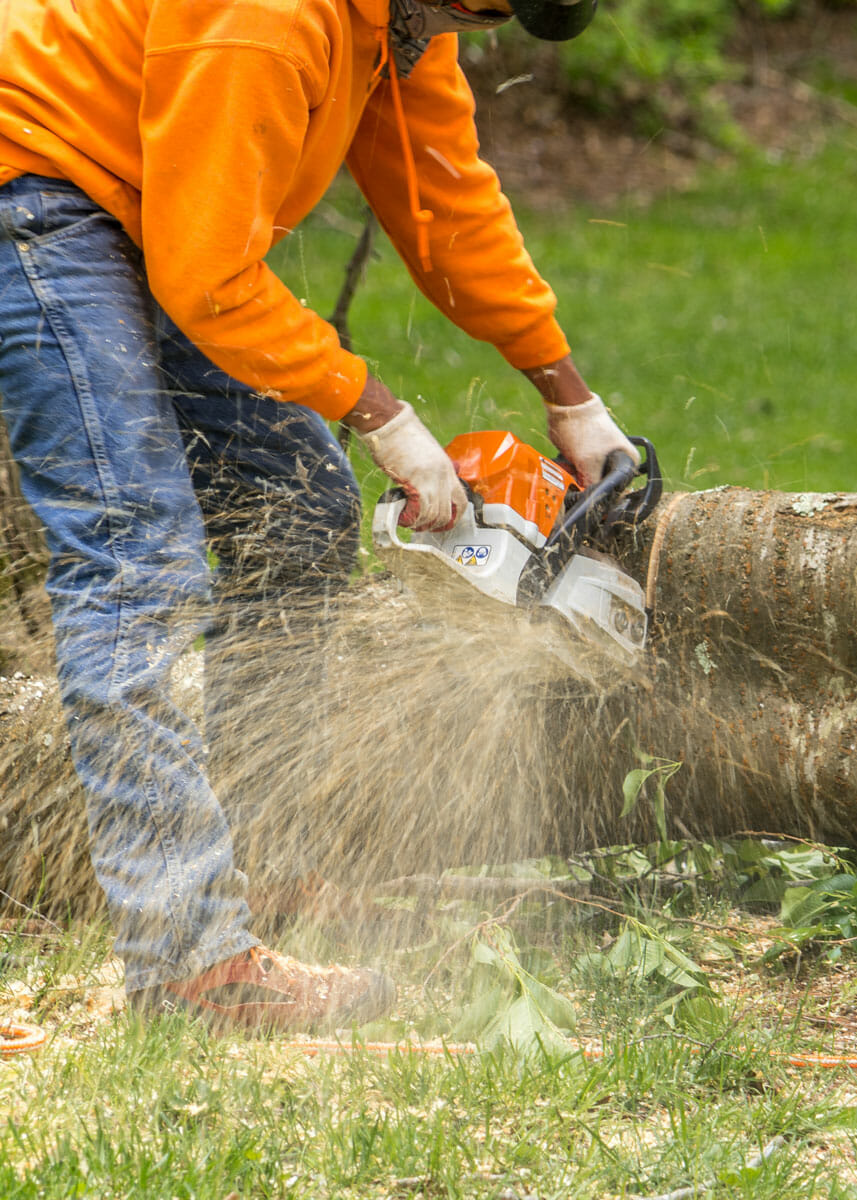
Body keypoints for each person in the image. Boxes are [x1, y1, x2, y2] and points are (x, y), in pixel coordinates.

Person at [0, 0, 639, 1033]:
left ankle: (263, 866)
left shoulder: (406, 23)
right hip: (40, 185)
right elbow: (206, 274)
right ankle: (186, 964)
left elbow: (444, 203)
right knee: (133, 559)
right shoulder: (271, 16)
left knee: (294, 504)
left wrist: (565, 390)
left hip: (150, 202)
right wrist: (379, 414)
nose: (474, 27)